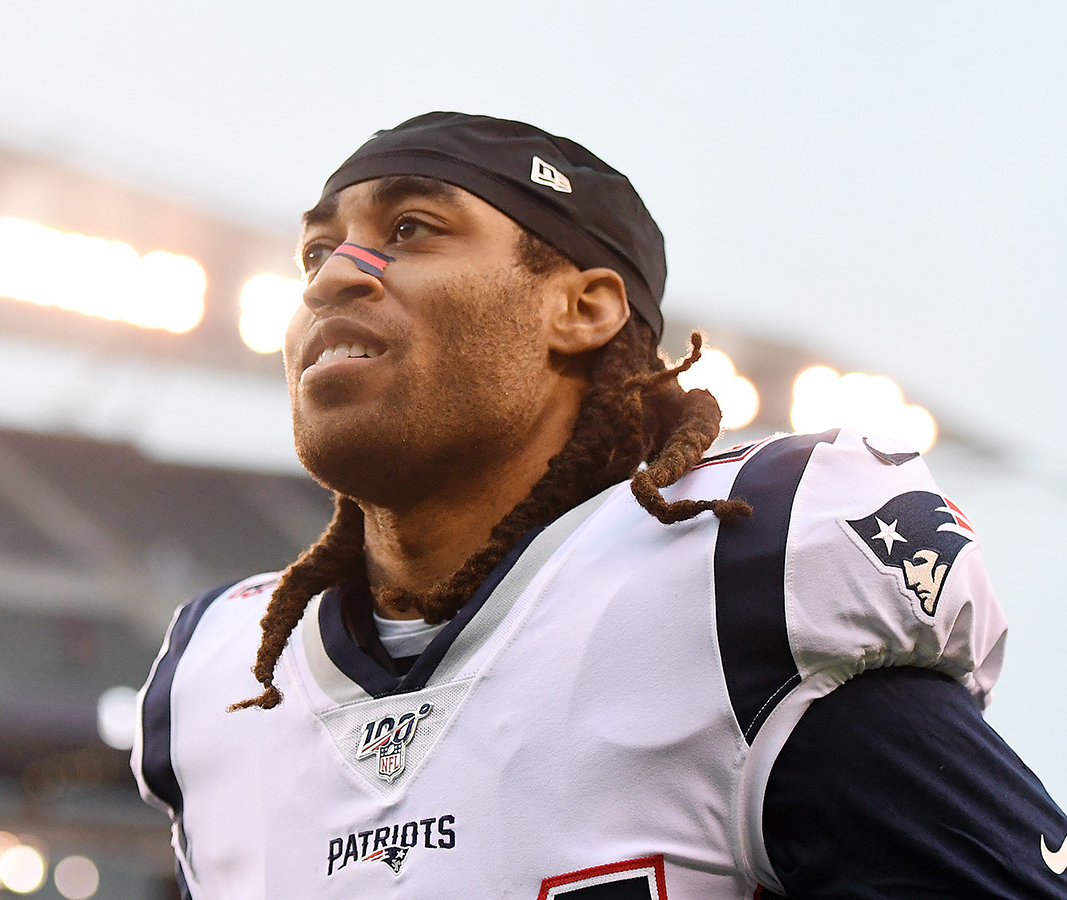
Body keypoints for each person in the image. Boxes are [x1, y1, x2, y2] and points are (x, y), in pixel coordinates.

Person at [132, 112, 1067, 899]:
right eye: (316, 250)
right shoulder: (218, 683)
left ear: (583, 307)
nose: (335, 274)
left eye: (412, 228)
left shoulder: (736, 582)